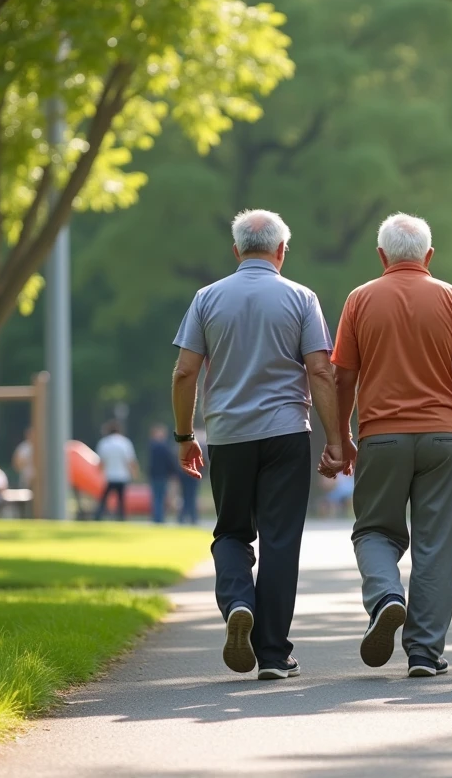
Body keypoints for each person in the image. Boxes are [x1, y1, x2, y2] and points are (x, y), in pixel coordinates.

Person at [325, 212, 452, 679]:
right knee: (436, 546)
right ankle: (424, 653)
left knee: (373, 531)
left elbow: (343, 377)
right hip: (444, 438)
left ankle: (385, 595)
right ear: (429, 255)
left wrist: (339, 437)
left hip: (381, 438)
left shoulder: (360, 299)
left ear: (381, 255)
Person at [172, 208, 342, 681]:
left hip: (228, 436)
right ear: (282, 250)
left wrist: (185, 436)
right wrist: (336, 439)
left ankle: (237, 604)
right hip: (288, 433)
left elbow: (185, 372)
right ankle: (272, 653)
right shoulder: (301, 298)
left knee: (230, 532)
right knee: (280, 541)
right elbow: (320, 370)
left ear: (236, 250)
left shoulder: (206, 298)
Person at [95, 421, 139, 521]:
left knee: (104, 499)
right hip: (122, 476)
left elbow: (101, 462)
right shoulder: (125, 442)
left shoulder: (104, 443)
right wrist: (134, 473)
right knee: (121, 500)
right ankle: (122, 518)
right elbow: (130, 461)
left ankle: (98, 516)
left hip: (109, 476)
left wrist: (99, 473)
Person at [148, 425, 176, 524]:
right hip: (163, 475)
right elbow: (169, 461)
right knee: (161, 497)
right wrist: (173, 472)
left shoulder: (152, 446)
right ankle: (159, 518)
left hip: (155, 475)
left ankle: (156, 517)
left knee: (156, 497)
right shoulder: (164, 447)